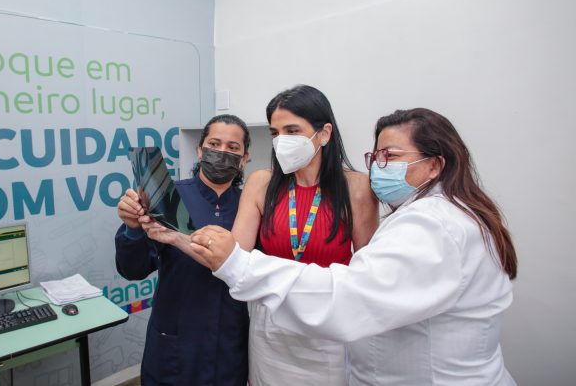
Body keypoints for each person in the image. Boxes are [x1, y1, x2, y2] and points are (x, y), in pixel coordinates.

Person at [188, 108, 518, 385]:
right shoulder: (435, 214)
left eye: (392, 156)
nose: (379, 167)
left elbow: (347, 298)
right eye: (376, 156)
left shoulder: (434, 225)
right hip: (280, 337)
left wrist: (240, 265)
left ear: (435, 165)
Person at [230, 85, 379, 385]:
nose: (281, 141)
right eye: (275, 133)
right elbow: (234, 257)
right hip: (271, 327)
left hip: (328, 327)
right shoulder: (261, 183)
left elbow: (368, 272)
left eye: (292, 131)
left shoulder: (357, 188)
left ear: (324, 134)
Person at [114, 114, 251, 385]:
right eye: (214, 144)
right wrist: (133, 228)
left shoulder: (251, 207)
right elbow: (133, 269)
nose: (222, 152)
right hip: (175, 342)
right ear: (200, 150)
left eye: (233, 147)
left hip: (230, 344)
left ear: (244, 158)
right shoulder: (167, 198)